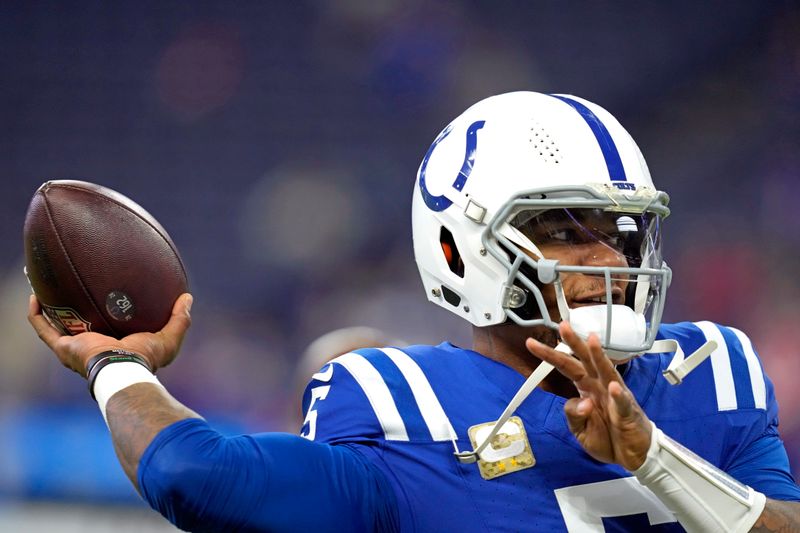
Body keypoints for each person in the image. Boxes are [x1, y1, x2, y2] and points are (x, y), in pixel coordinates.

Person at [29, 91, 800, 532]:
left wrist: (653, 458)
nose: (607, 259)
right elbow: (193, 474)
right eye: (563, 230)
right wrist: (115, 361)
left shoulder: (708, 371)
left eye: (622, 230)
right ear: (460, 250)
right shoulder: (400, 411)